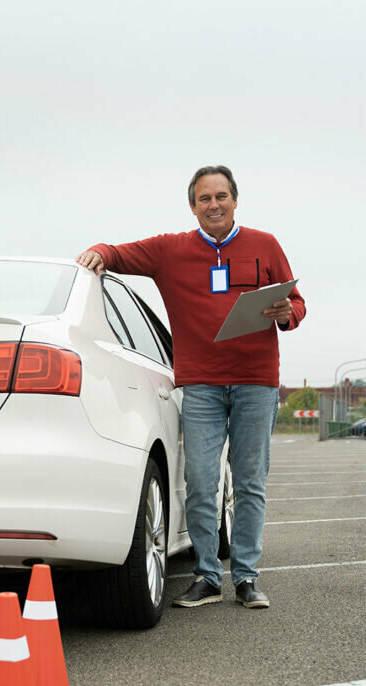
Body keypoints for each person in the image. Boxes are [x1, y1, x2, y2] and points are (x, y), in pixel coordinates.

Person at [76, 164, 305, 609]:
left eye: (221, 196)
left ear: (235, 200)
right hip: (200, 384)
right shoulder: (170, 251)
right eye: (205, 198)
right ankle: (205, 575)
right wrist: (98, 252)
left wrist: (286, 314)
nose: (214, 205)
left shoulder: (266, 245)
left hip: (256, 382)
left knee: (250, 481)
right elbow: (116, 252)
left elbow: (295, 303)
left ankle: (245, 577)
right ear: (193, 206)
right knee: (200, 482)